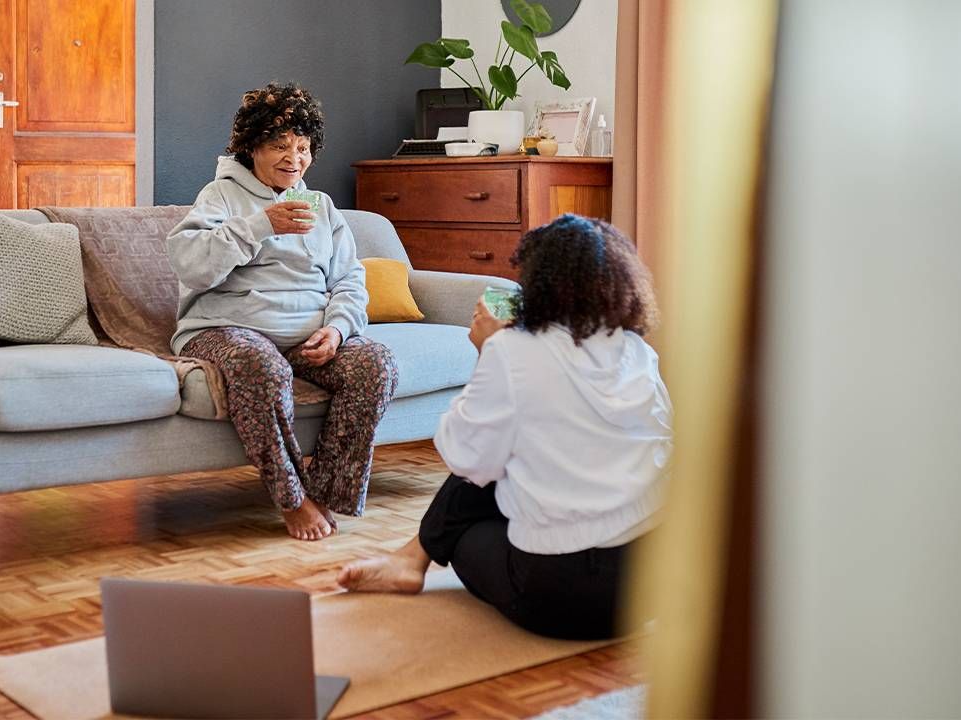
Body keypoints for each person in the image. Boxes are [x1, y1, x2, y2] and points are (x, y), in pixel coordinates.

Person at [338, 214, 672, 640]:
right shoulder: (637, 351)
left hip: (556, 594)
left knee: (472, 504)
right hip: (646, 590)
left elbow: (463, 458)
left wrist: (489, 351)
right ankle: (409, 559)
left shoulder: (513, 351)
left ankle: (411, 561)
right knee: (513, 454)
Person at [167, 82, 398, 542]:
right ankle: (291, 498)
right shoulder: (220, 197)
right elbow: (189, 263)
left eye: (303, 147)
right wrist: (260, 225)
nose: (293, 159)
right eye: (279, 146)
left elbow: (349, 279)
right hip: (225, 329)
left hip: (306, 337)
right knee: (261, 366)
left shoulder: (322, 207)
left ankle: (326, 493)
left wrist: (336, 330)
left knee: (375, 363)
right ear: (251, 146)